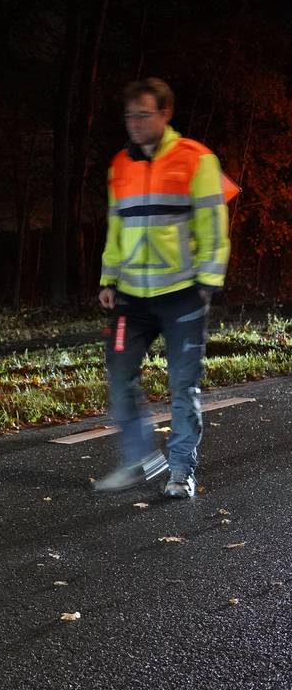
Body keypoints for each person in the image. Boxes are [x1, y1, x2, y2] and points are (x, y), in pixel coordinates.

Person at [92, 77, 234, 499]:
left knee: (182, 386)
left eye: (143, 114)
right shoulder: (120, 164)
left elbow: (213, 225)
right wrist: (108, 278)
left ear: (165, 113)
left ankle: (180, 471)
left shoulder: (197, 159)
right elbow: (117, 227)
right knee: (118, 376)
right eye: (129, 116)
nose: (134, 123)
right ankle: (141, 458)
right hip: (131, 296)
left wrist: (208, 281)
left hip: (182, 294)